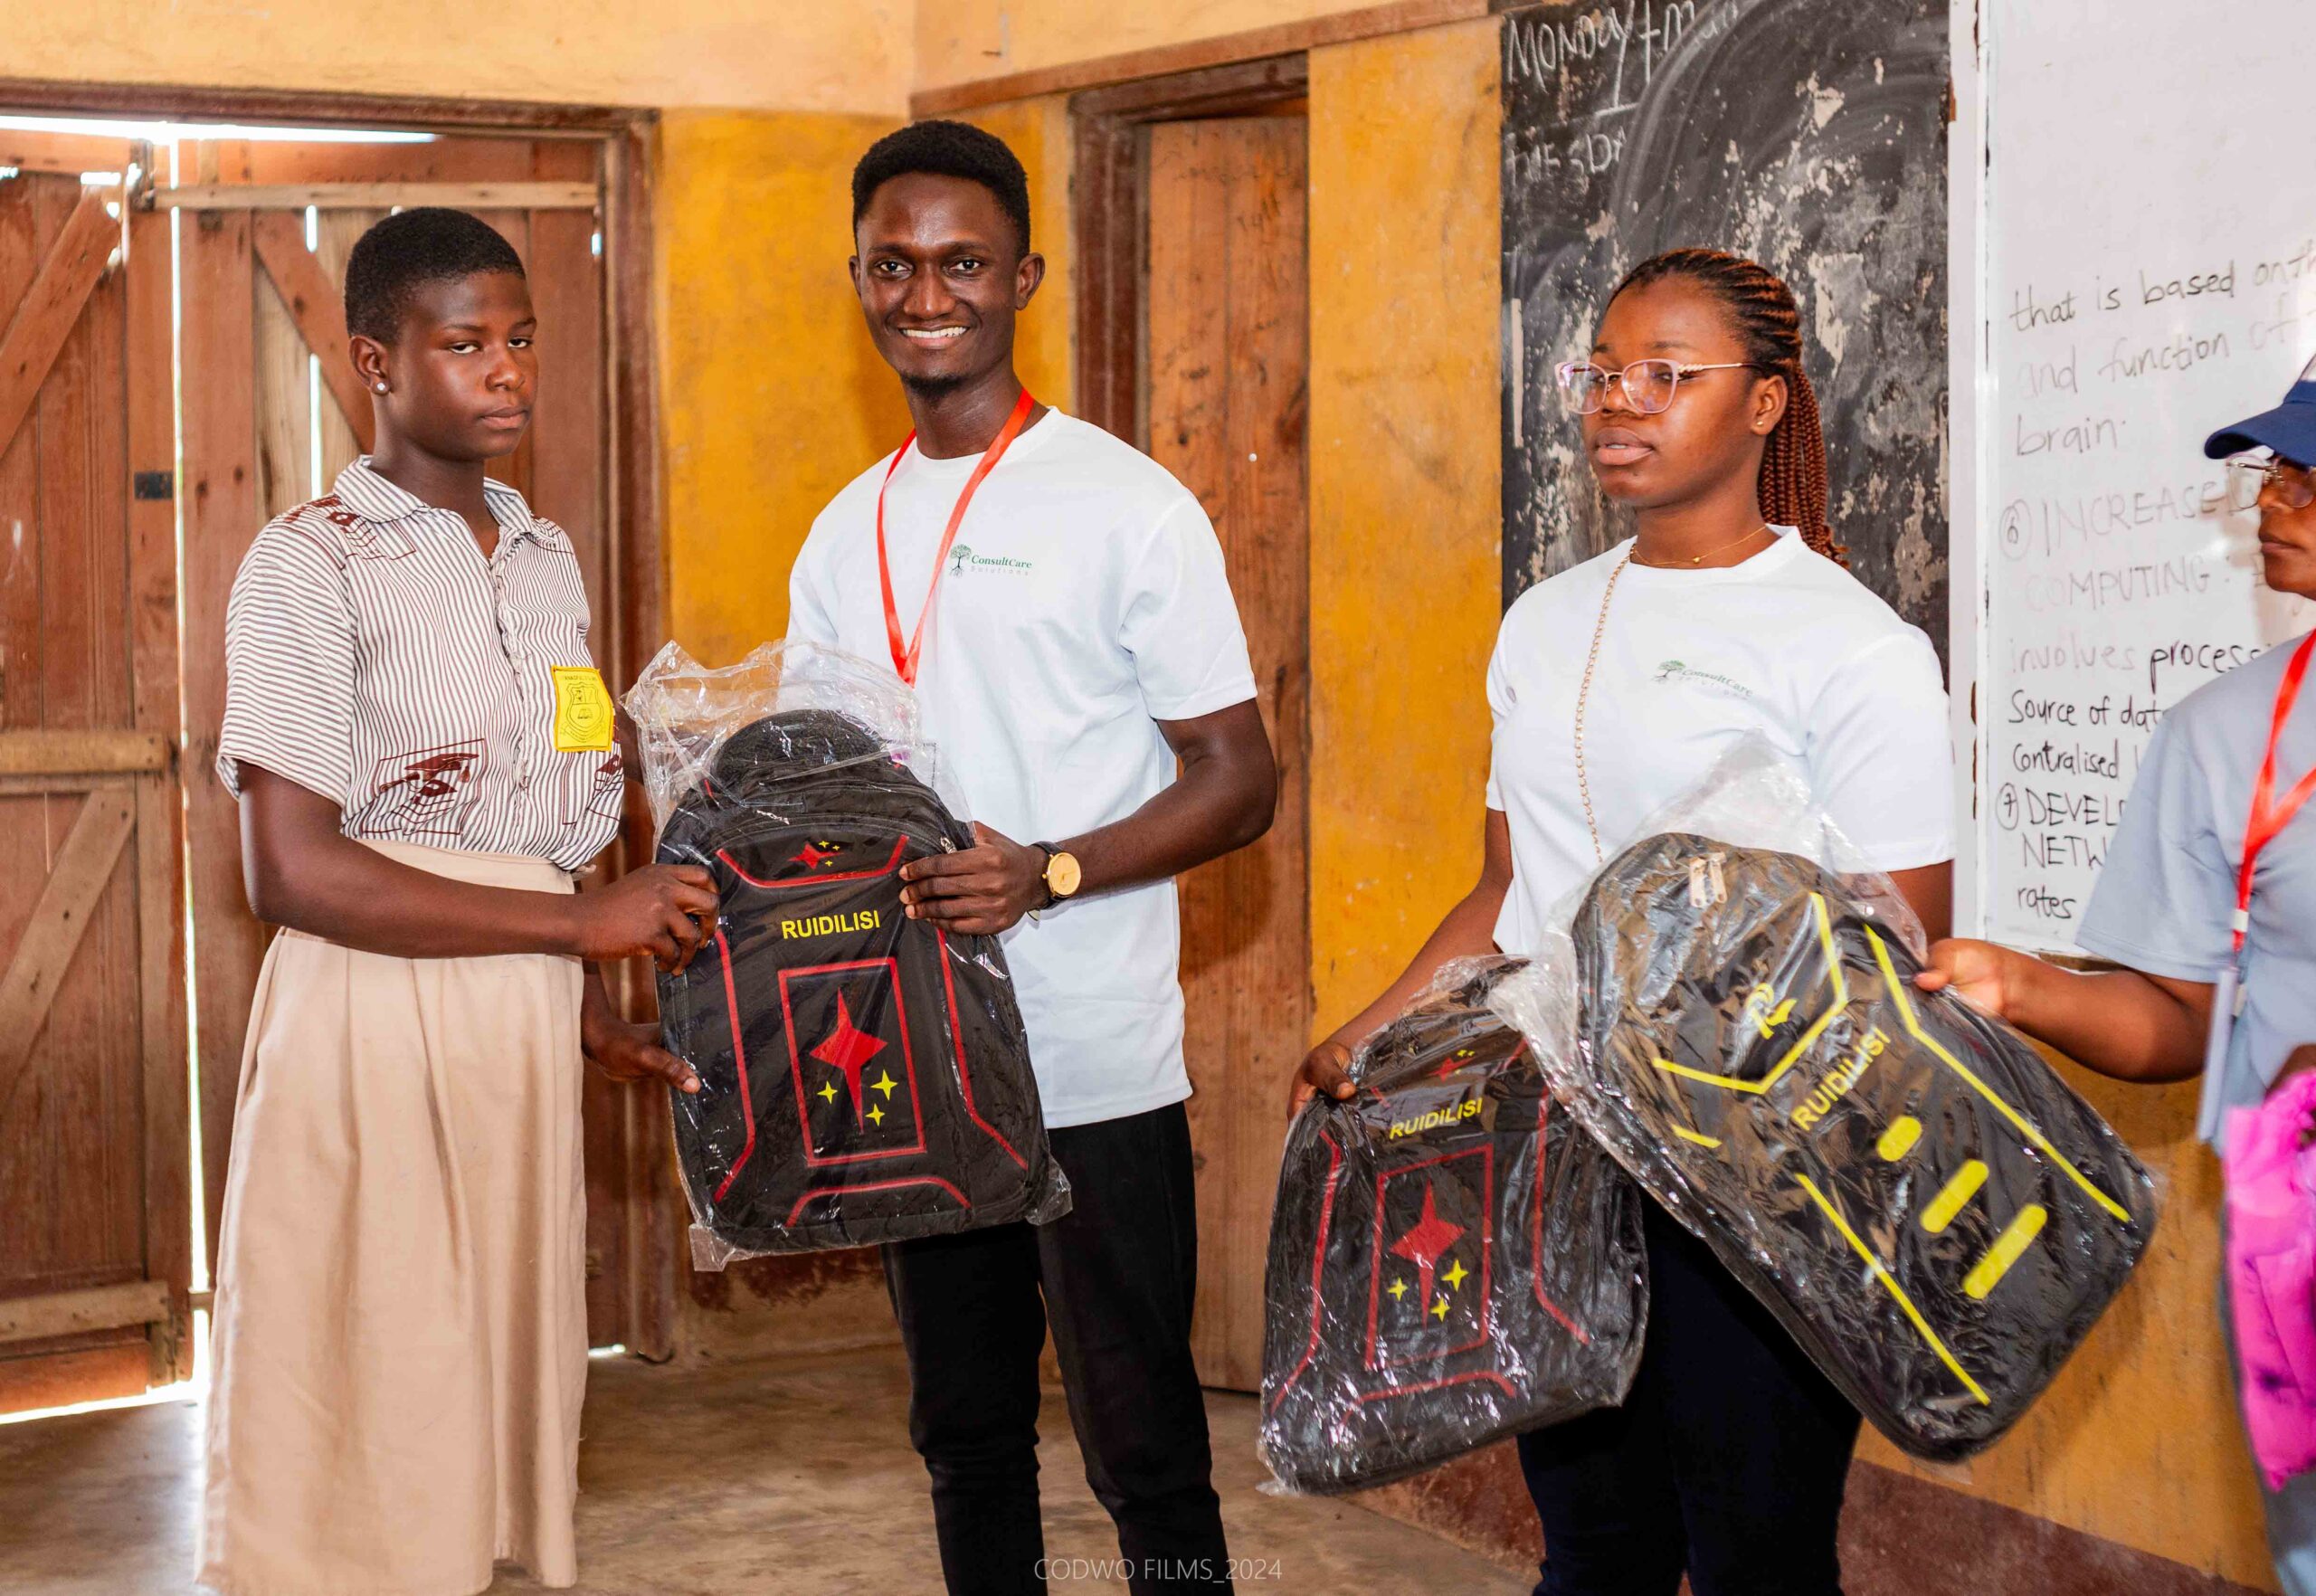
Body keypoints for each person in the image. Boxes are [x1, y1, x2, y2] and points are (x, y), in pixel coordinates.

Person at [1292, 247, 1955, 1596]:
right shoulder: (1544, 623)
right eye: (1600, 374)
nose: (1617, 402)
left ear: (1764, 404)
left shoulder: (1853, 647)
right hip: (1555, 1160)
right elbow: (1508, 889)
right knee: (1594, 1548)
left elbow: (1896, 951)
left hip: (1755, 1182)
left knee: (1759, 1557)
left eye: (1665, 375)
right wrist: (1367, 1036)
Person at [783, 122, 1277, 1596]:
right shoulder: (842, 531)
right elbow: (820, 789)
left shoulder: (1125, 505)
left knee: (1144, 1443)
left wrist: (1047, 871)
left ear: (1023, 278)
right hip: (911, 1060)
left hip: (1090, 1059)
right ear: (860, 280)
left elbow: (1240, 779)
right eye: (894, 265)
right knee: (965, 1429)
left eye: (963, 264)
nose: (926, 295)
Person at [198, 208, 714, 1596]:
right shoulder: (310, 561)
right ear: (377, 360)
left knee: (489, 1376)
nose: (507, 371)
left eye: (522, 340)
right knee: (380, 1374)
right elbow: (290, 869)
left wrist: (587, 1011)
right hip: (370, 1006)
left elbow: (539, 819)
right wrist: (580, 927)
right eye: (466, 343)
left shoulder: (546, 559)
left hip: (518, 1012)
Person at [1921, 362, 2316, 1591]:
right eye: (2274, 473)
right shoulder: (2224, 735)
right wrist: (2022, 988)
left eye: (2309, 479)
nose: (2274, 501)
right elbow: (2181, 1016)